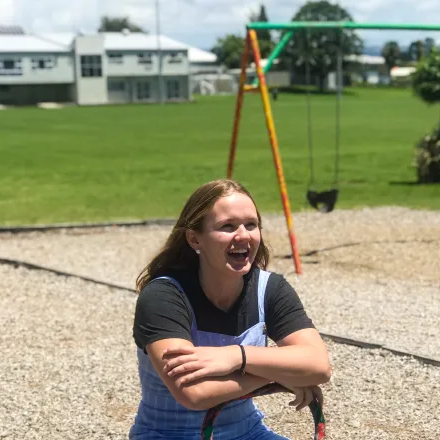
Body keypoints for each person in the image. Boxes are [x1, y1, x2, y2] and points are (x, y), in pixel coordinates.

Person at [129, 179, 331, 440]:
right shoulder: (163, 297)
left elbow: (318, 365)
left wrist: (237, 356)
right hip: (169, 434)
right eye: (227, 226)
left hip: (248, 432)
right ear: (194, 239)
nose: (243, 235)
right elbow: (194, 393)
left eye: (251, 225)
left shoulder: (269, 288)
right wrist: (276, 376)